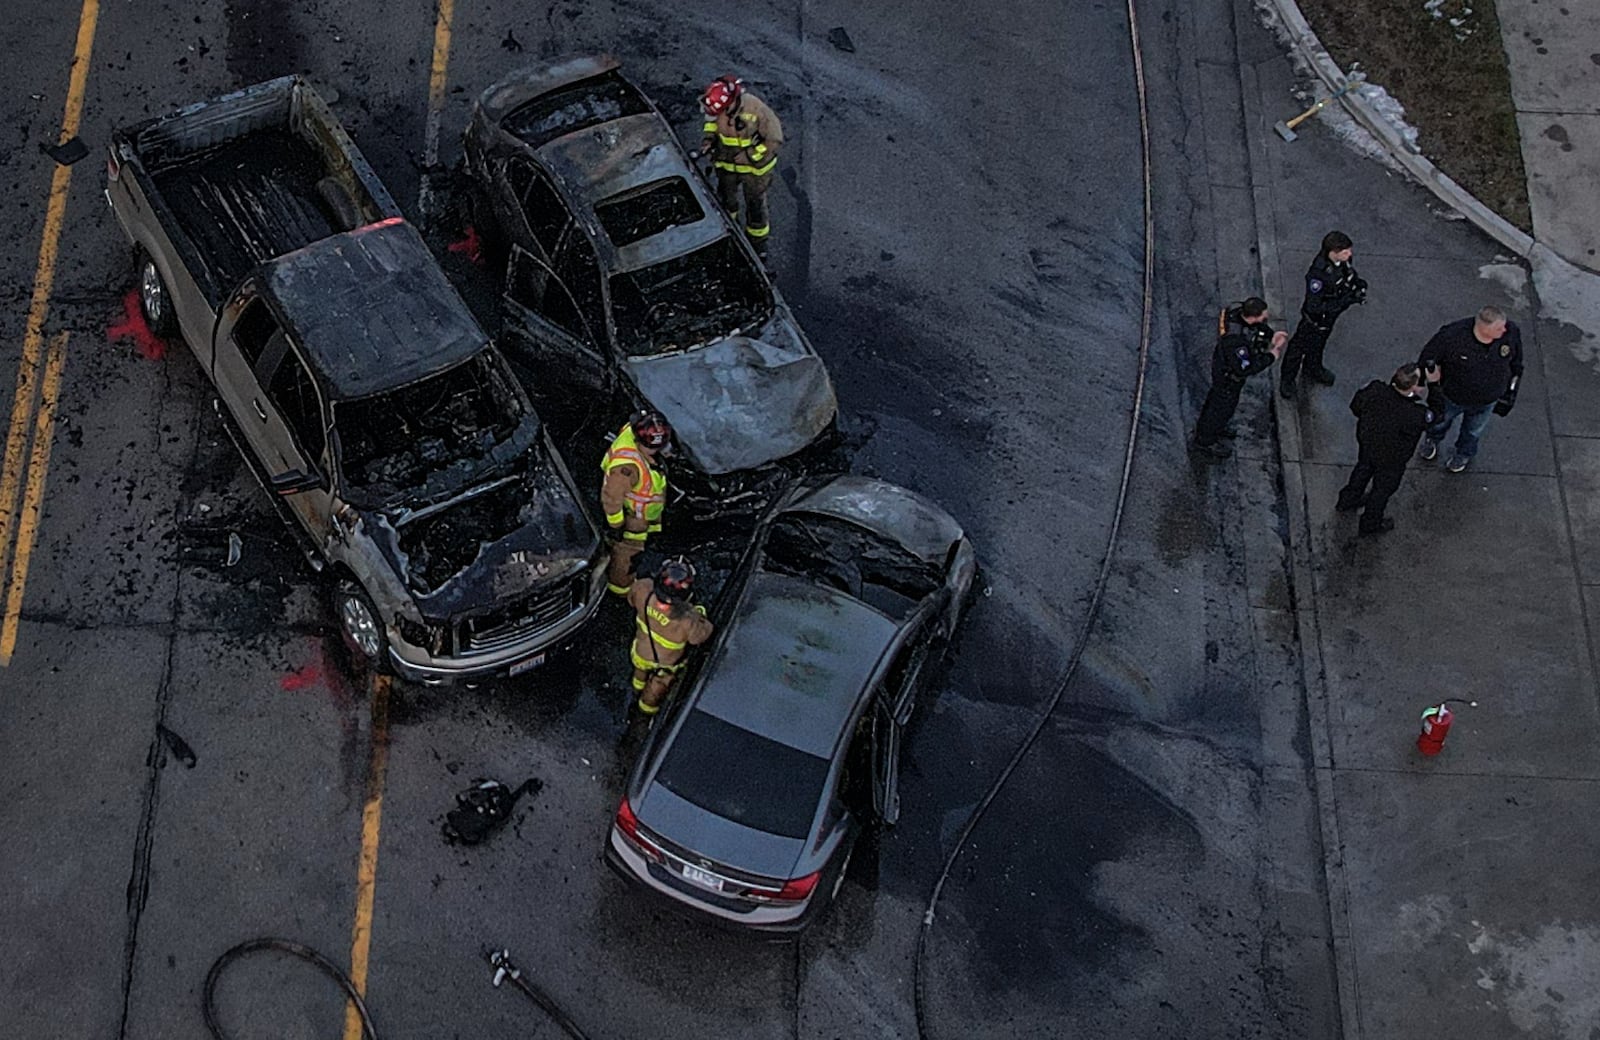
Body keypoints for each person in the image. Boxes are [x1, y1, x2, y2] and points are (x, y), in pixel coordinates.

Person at [1416, 305, 1523, 473]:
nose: (1504, 330)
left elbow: (1516, 362)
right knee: (1439, 422)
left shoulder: (1510, 332)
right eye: (1499, 327)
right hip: (1452, 396)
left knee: (1473, 431)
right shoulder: (1452, 336)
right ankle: (1432, 440)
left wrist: (1511, 391)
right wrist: (1423, 383)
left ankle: (1464, 453)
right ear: (1484, 328)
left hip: (1488, 400)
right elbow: (1427, 358)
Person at [1336, 364, 1435, 535]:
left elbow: (1356, 406)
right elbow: (1435, 419)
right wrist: (1436, 387)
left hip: (1368, 446)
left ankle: (1347, 500)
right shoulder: (1415, 414)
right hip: (1392, 459)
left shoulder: (1375, 390)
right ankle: (1370, 524)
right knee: (1381, 491)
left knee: (1361, 471)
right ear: (1414, 387)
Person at [699, 75, 783, 260]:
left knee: (755, 207)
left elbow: (774, 139)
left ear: (732, 102)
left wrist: (750, 155)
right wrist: (708, 141)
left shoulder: (755, 109)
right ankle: (730, 233)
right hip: (727, 165)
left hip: (755, 171)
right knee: (726, 202)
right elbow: (711, 124)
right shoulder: (718, 109)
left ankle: (757, 246)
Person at [1192, 297, 1288, 458]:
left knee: (1222, 405)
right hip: (1227, 377)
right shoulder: (1236, 342)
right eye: (1263, 317)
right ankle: (1205, 441)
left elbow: (1257, 328)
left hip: (1225, 369)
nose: (1264, 319)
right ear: (1253, 316)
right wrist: (1272, 355)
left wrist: (1270, 336)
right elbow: (1246, 367)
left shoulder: (1237, 314)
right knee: (1219, 408)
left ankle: (1216, 428)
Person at [1279, 230, 1367, 398]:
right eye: (1345, 251)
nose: (1350, 254)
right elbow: (1315, 306)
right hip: (1314, 320)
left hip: (1330, 318)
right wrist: (1346, 301)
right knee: (1298, 348)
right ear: (1333, 252)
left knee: (1319, 344)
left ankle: (1313, 368)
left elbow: (1348, 275)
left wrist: (1357, 283)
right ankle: (1287, 379)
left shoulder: (1344, 263)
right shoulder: (1318, 275)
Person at [627, 557, 714, 715]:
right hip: (666, 665)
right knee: (657, 688)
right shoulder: (688, 619)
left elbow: (631, 600)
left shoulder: (642, 589)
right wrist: (701, 615)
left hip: (641, 653)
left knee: (639, 673)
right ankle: (644, 712)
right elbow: (699, 638)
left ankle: (636, 690)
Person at [600, 411, 671, 596]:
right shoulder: (628, 468)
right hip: (633, 519)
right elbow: (611, 496)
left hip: (644, 514)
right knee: (628, 555)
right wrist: (616, 524)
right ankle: (620, 588)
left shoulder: (634, 430)